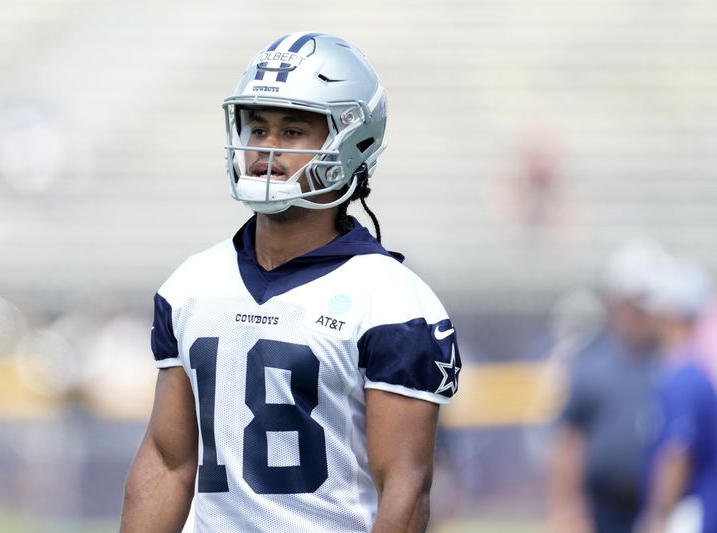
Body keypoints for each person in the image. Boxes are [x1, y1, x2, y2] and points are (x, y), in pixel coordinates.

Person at [120, 32, 462, 533]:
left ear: (352, 140)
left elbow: (405, 489)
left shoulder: (392, 302)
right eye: (257, 129)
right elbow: (168, 460)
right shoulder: (191, 283)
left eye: (293, 131)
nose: (265, 148)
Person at [547, 241, 666, 533]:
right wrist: (568, 510)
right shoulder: (590, 360)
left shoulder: (670, 360)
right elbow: (569, 441)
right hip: (603, 506)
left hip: (656, 503)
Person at [636, 258, 717, 533]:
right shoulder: (688, 371)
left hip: (689, 515)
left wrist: (659, 516)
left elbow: (677, 453)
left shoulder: (684, 377)